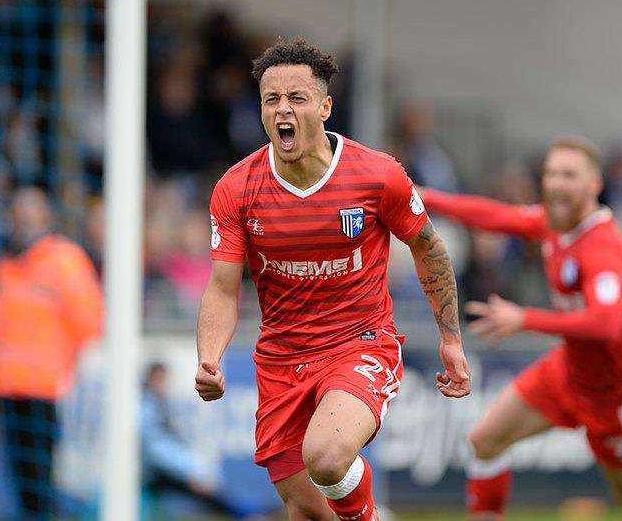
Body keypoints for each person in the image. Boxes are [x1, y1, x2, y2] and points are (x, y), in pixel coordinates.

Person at [194, 38, 471, 521]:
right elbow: (222, 287)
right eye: (271, 100)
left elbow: (429, 247)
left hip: (359, 344)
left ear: (324, 107)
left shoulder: (377, 175)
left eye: (296, 99)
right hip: (282, 359)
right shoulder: (236, 189)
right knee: (309, 511)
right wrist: (209, 358)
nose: (283, 110)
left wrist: (450, 338)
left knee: (325, 455)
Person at [420, 137, 622, 520]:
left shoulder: (602, 245)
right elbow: (494, 216)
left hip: (614, 394)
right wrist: (425, 197)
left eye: (569, 175)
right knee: (484, 440)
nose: (556, 183)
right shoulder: (554, 223)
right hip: (565, 373)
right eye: (551, 173)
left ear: (594, 184)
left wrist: (524, 319)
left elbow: (607, 324)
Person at [0, 187, 103, 519]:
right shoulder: (5, 263)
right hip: (6, 387)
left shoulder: (64, 260)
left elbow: (90, 321)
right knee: (18, 482)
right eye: (19, 214)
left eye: (31, 214)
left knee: (43, 481)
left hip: (48, 390)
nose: (24, 222)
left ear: (45, 217)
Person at [141, 362, 238, 517]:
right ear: (150, 379)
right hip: (154, 473)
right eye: (160, 380)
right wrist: (190, 474)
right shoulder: (145, 407)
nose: (164, 385)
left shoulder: (157, 404)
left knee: (215, 498)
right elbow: (156, 450)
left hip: (164, 472)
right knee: (213, 497)